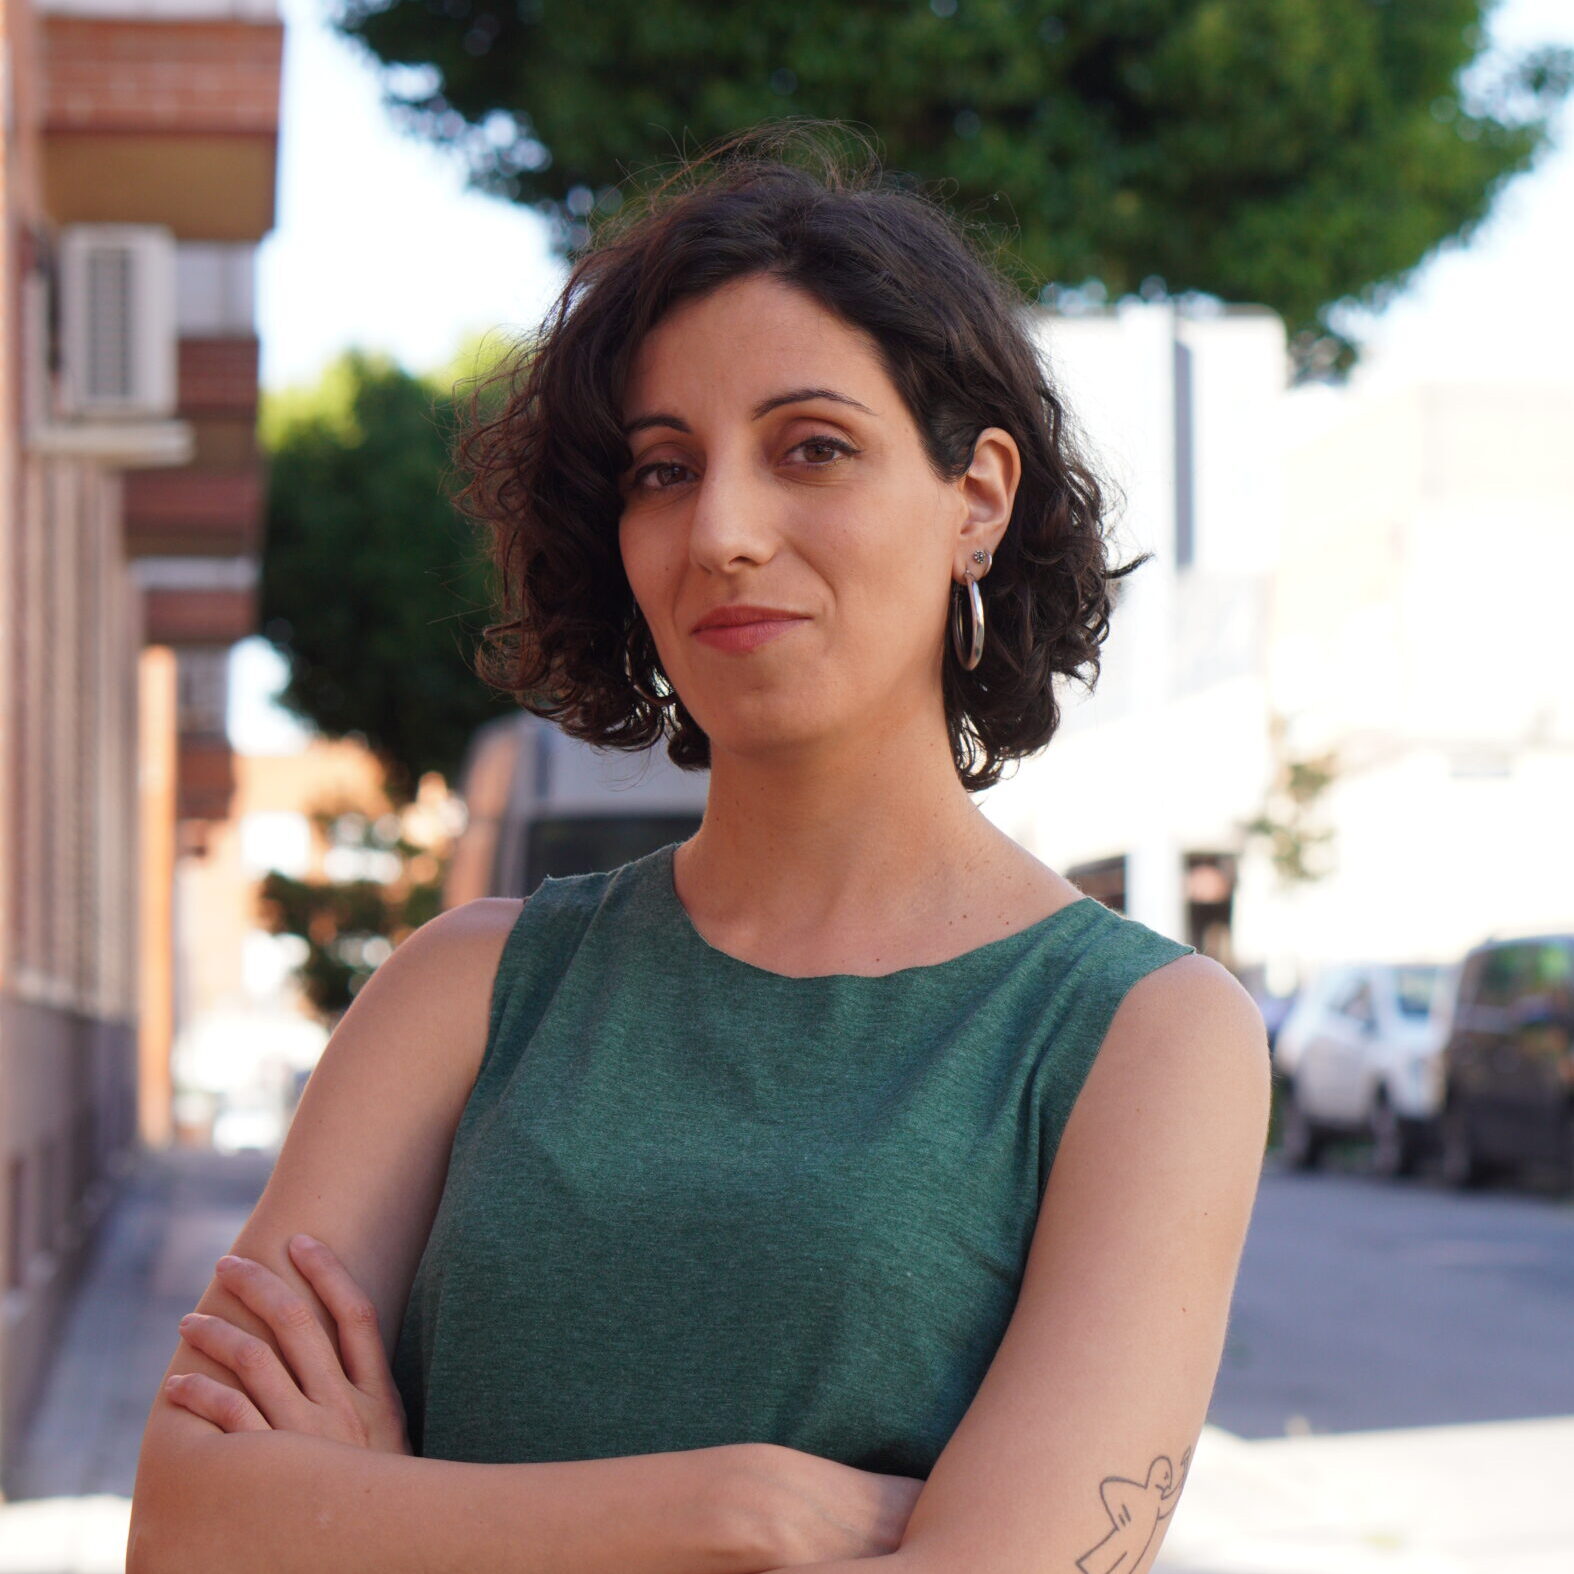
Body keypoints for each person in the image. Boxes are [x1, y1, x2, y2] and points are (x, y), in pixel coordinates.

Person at [128, 121, 1270, 1574]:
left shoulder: (1142, 1038)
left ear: (975, 498)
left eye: (812, 448)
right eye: (662, 470)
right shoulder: (468, 990)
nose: (721, 529)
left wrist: (385, 1520)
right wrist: (725, 1513)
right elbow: (182, 1532)